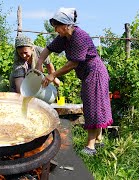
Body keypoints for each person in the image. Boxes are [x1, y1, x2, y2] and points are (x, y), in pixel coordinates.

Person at [36, 7, 113, 155]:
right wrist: (39, 62)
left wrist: (53, 75)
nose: (55, 30)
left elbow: (73, 63)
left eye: (57, 27)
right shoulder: (64, 37)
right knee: (93, 104)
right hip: (88, 74)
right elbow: (48, 49)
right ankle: (98, 139)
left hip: (95, 73)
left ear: (66, 25)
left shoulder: (79, 37)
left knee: (92, 106)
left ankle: (90, 147)